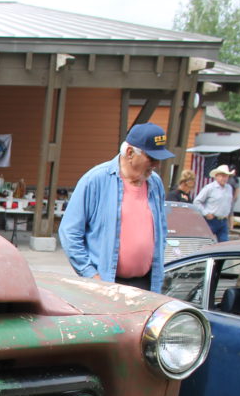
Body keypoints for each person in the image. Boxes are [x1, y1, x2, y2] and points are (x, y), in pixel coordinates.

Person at [58, 122, 172, 292]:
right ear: (130, 153)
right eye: (151, 158)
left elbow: (161, 230)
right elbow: (70, 232)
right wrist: (91, 275)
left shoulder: (155, 183)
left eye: (159, 160)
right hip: (106, 285)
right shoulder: (95, 180)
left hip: (146, 285)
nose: (157, 164)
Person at [193, 164, 235, 242]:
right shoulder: (209, 188)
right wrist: (206, 213)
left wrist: (230, 217)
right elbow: (197, 201)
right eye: (222, 176)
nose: (224, 178)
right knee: (206, 241)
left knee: (224, 243)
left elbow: (229, 203)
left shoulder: (229, 188)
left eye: (226, 176)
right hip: (211, 220)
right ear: (216, 176)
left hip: (223, 220)